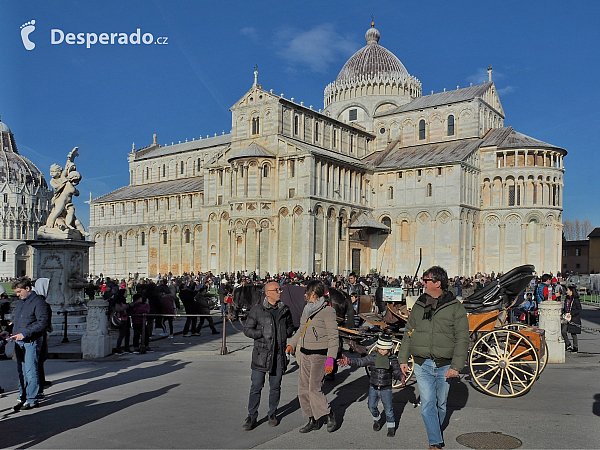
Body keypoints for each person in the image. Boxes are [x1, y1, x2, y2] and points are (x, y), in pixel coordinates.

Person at [398, 266, 469, 449]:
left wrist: (457, 366)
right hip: (422, 363)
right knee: (428, 403)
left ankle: (434, 432)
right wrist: (403, 359)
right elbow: (409, 331)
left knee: (441, 404)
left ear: (437, 283)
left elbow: (462, 338)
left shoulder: (455, 307)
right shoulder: (420, 304)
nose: (423, 283)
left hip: (445, 365)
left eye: (426, 280)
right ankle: (435, 442)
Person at [287, 280, 339, 433]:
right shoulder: (306, 309)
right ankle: (312, 419)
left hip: (320, 355)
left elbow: (333, 337)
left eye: (307, 293)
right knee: (303, 390)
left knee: (314, 389)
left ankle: (329, 414)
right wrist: (292, 344)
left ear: (314, 294)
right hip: (304, 354)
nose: (305, 295)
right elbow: (300, 330)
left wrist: (331, 358)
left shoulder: (328, 311)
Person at [242, 281, 294, 430]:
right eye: (277, 289)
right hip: (261, 354)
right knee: (256, 386)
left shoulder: (284, 309)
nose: (280, 292)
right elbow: (247, 329)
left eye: (280, 289)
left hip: (278, 355)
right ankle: (251, 416)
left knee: (275, 386)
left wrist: (287, 332)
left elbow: (291, 325)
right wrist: (260, 334)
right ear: (268, 293)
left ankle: (272, 413)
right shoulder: (257, 310)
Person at [338, 334, 402, 437]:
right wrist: (349, 361)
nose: (381, 351)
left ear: (389, 349)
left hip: (386, 388)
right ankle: (376, 419)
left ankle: (391, 426)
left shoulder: (392, 359)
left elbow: (397, 371)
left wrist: (401, 377)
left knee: (389, 409)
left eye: (384, 349)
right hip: (373, 387)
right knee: (371, 406)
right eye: (380, 348)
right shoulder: (373, 357)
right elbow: (361, 361)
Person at [10, 277, 51, 411]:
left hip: (30, 340)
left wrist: (25, 333)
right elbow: (18, 321)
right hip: (19, 341)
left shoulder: (39, 303)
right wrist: (10, 331)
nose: (17, 295)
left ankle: (32, 399)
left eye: (19, 291)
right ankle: (23, 395)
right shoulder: (22, 303)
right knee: (21, 371)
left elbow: (42, 323)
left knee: (30, 370)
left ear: (27, 289)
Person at [561, 285, 582, 353]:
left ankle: (575, 347)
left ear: (571, 291)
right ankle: (568, 343)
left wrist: (572, 314)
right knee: (563, 331)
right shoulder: (567, 299)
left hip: (573, 318)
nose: (567, 291)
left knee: (573, 333)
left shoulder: (575, 299)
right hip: (566, 317)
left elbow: (579, 309)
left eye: (568, 290)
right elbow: (565, 308)